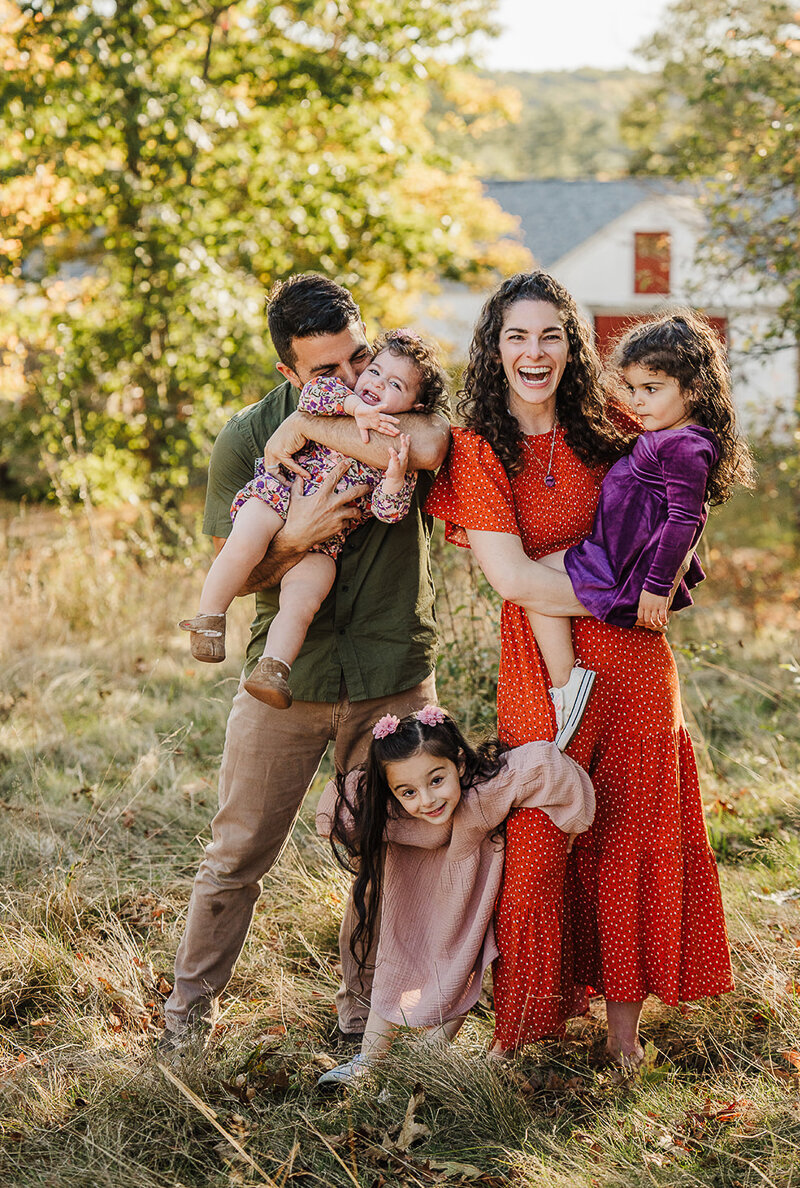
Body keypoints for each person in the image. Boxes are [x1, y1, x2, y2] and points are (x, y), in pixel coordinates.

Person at [426, 271, 736, 1067]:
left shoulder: (613, 419)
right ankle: (518, 1032)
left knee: (632, 836)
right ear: (494, 350)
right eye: (516, 337)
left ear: (571, 344)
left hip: (634, 667)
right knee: (535, 848)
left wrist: (654, 581)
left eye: (550, 335)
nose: (534, 352)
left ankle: (624, 1039)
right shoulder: (479, 448)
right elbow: (515, 581)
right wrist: (625, 592)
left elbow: (683, 501)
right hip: (544, 668)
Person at [162, 273, 450, 1047]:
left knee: (387, 856)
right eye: (326, 372)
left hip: (392, 670)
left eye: (356, 355)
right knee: (235, 852)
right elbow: (233, 568)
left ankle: (365, 1021)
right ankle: (186, 1019)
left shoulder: (404, 400)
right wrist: (296, 537)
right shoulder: (247, 434)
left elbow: (429, 447)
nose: (353, 378)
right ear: (288, 374)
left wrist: (318, 430)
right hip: (287, 675)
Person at [314, 705, 595, 1085]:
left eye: (436, 780)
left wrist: (572, 827)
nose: (427, 801)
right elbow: (333, 811)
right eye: (408, 791)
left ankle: (417, 1075)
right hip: (412, 908)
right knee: (394, 970)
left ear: (459, 764)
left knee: (454, 983)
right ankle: (368, 1063)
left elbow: (546, 765)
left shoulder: (481, 796)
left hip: (463, 914)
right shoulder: (395, 814)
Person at [179, 331, 448, 709]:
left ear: (414, 407)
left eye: (394, 385)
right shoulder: (339, 400)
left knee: (305, 597)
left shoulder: (402, 446)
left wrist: (393, 478)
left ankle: (274, 667)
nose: (374, 383)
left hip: (327, 543)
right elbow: (314, 395)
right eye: (374, 371)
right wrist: (354, 408)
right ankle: (208, 618)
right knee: (246, 543)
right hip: (276, 494)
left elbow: (390, 511)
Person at [525, 310, 754, 749]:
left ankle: (565, 687)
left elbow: (687, 518)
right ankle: (566, 685)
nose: (638, 402)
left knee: (533, 581)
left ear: (695, 389)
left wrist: (656, 585)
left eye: (651, 389)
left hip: (624, 568)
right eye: (633, 389)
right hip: (610, 552)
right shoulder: (666, 432)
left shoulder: (687, 445)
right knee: (533, 576)